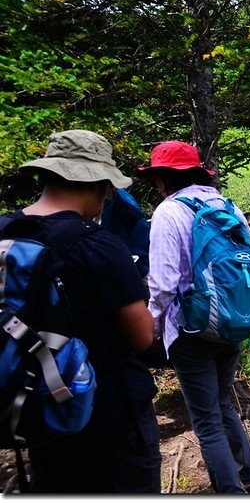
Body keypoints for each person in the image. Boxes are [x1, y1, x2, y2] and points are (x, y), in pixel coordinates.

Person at [0, 130, 161, 493]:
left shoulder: (5, 232)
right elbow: (141, 336)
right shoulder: (99, 245)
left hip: (36, 410)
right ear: (98, 185)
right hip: (108, 416)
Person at [137, 140, 250, 494]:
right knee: (221, 402)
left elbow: (162, 285)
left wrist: (155, 329)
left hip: (191, 329)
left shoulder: (168, 212)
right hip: (233, 321)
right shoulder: (228, 205)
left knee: (205, 420)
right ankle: (249, 472)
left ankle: (229, 491)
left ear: (163, 178)